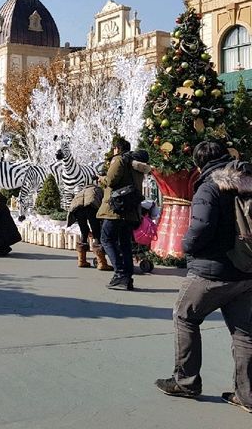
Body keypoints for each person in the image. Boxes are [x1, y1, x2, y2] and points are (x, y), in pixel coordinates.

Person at [155, 141, 252, 412]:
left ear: (199, 164)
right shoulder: (247, 183)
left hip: (211, 272)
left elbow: (201, 227)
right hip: (246, 271)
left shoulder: (209, 187)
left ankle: (185, 381)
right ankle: (247, 395)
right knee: (245, 333)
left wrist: (186, 246)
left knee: (185, 317)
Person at [97, 138, 150, 290]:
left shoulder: (119, 160)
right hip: (131, 209)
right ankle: (127, 276)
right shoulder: (137, 165)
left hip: (116, 208)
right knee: (125, 243)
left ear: (117, 149)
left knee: (106, 238)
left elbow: (111, 181)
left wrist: (102, 179)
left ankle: (120, 273)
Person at [67, 182, 111, 270]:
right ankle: (101, 263)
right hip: (91, 207)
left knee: (84, 231)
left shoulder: (82, 191)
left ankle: (81, 260)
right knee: (96, 233)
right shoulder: (98, 190)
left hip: (77, 209)